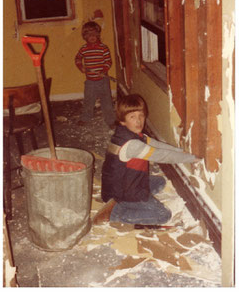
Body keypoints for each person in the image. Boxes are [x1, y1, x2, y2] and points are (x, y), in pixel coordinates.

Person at [101, 94, 199, 225]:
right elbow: (163, 155)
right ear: (122, 121)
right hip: (120, 192)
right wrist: (191, 159)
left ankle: (131, 203)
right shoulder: (132, 145)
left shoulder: (130, 134)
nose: (139, 121)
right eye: (132, 117)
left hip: (120, 183)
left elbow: (156, 145)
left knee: (160, 182)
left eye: (141, 115)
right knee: (163, 215)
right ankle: (116, 213)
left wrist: (180, 151)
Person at [75, 21, 115, 129]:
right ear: (85, 36)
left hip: (103, 81)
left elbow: (108, 62)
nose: (92, 37)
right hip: (90, 82)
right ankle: (85, 118)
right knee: (89, 100)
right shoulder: (84, 49)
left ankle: (111, 120)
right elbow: (77, 58)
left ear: (98, 34)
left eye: (94, 34)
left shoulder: (103, 48)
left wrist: (104, 70)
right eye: (88, 35)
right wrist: (81, 67)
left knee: (106, 100)